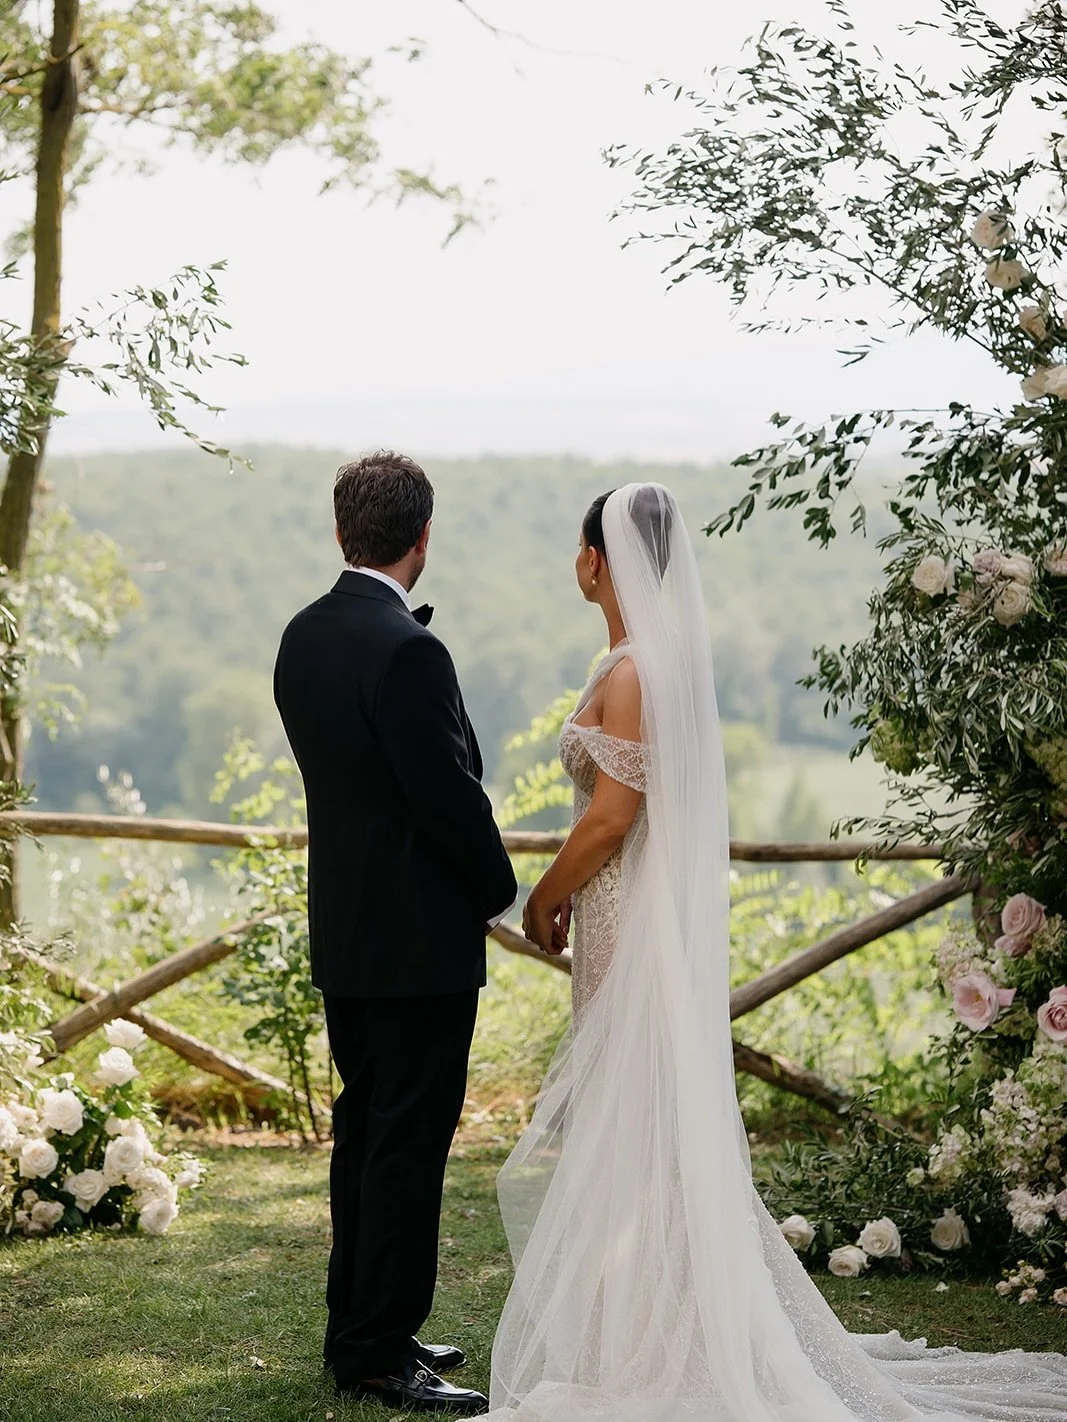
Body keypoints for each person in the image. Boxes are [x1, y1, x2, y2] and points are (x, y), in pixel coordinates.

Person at [489, 482, 1067, 1422]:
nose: (576, 560)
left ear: (600, 560)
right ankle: (641, 1314)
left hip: (623, 916)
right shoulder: (641, 662)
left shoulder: (635, 672)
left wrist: (542, 893)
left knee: (636, 1111)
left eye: (579, 544)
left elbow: (610, 818)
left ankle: (659, 1330)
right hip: (615, 918)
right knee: (633, 1113)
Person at [274, 450, 516, 1414]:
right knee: (406, 1145)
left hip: (347, 935)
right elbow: (443, 795)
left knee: (363, 1134)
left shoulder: (302, 634)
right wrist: (497, 891)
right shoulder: (410, 651)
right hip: (418, 945)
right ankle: (378, 1352)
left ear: (342, 533)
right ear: (422, 538)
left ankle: (361, 1328)